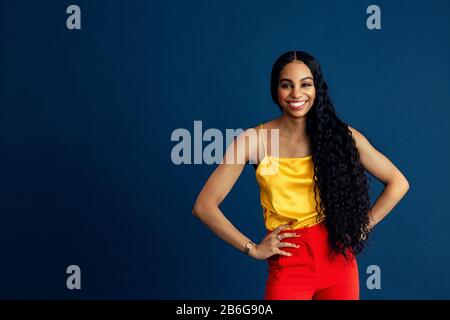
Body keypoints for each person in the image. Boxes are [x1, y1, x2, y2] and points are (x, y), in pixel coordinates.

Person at [192, 51, 410, 300]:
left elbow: (398, 183)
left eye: (306, 84)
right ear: (276, 90)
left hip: (339, 264)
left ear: (316, 88)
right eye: (287, 85)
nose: (297, 94)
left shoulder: (340, 137)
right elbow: (204, 206)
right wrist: (252, 249)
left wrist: (361, 228)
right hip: (288, 266)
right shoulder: (253, 141)